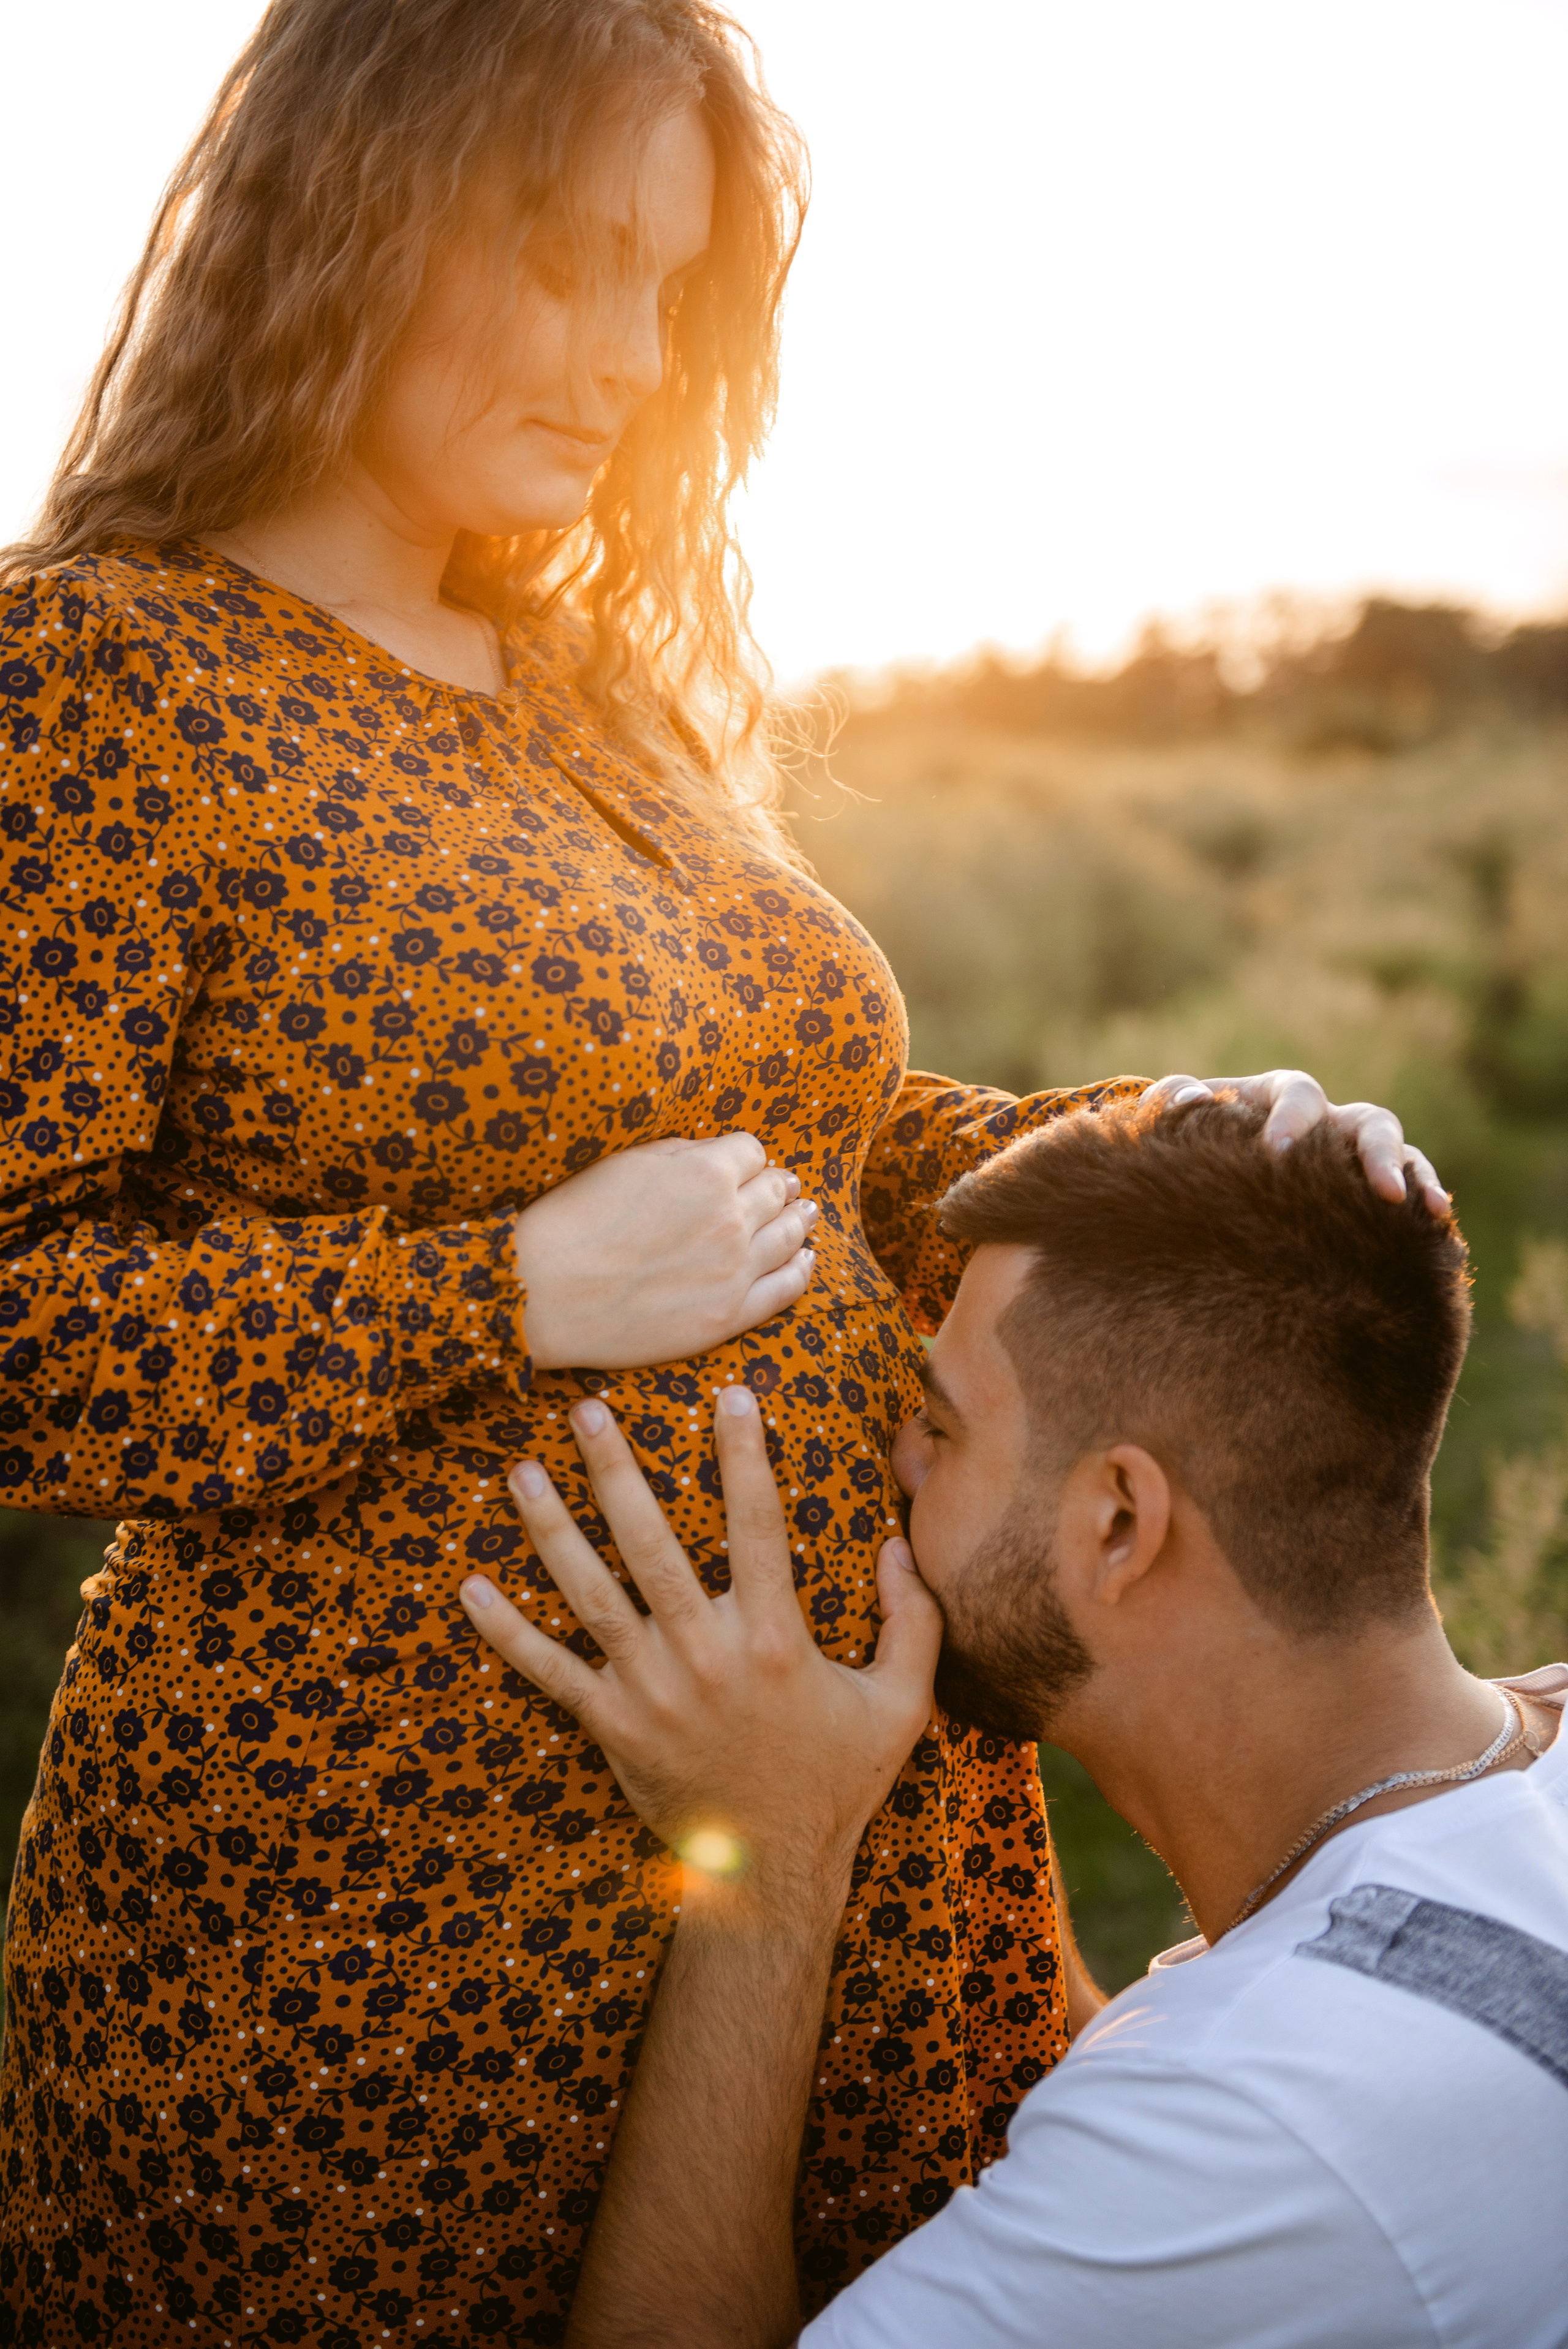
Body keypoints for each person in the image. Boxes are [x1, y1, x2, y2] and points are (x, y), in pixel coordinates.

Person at [0, 0, 1446, 2336]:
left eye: (671, 291)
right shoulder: (98, 681)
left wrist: (1189, 1140)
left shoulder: (598, 689)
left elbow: (835, 1146)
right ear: (349, 213)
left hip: (849, 1821)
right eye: (565, 259)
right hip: (380, 1907)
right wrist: (497, 1294)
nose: (623, 353)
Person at [459, 1091, 1568, 2348]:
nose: (894, 1458)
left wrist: (772, 1867)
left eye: (940, 1424)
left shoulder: (1260, 2130)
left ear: (1117, 1525)